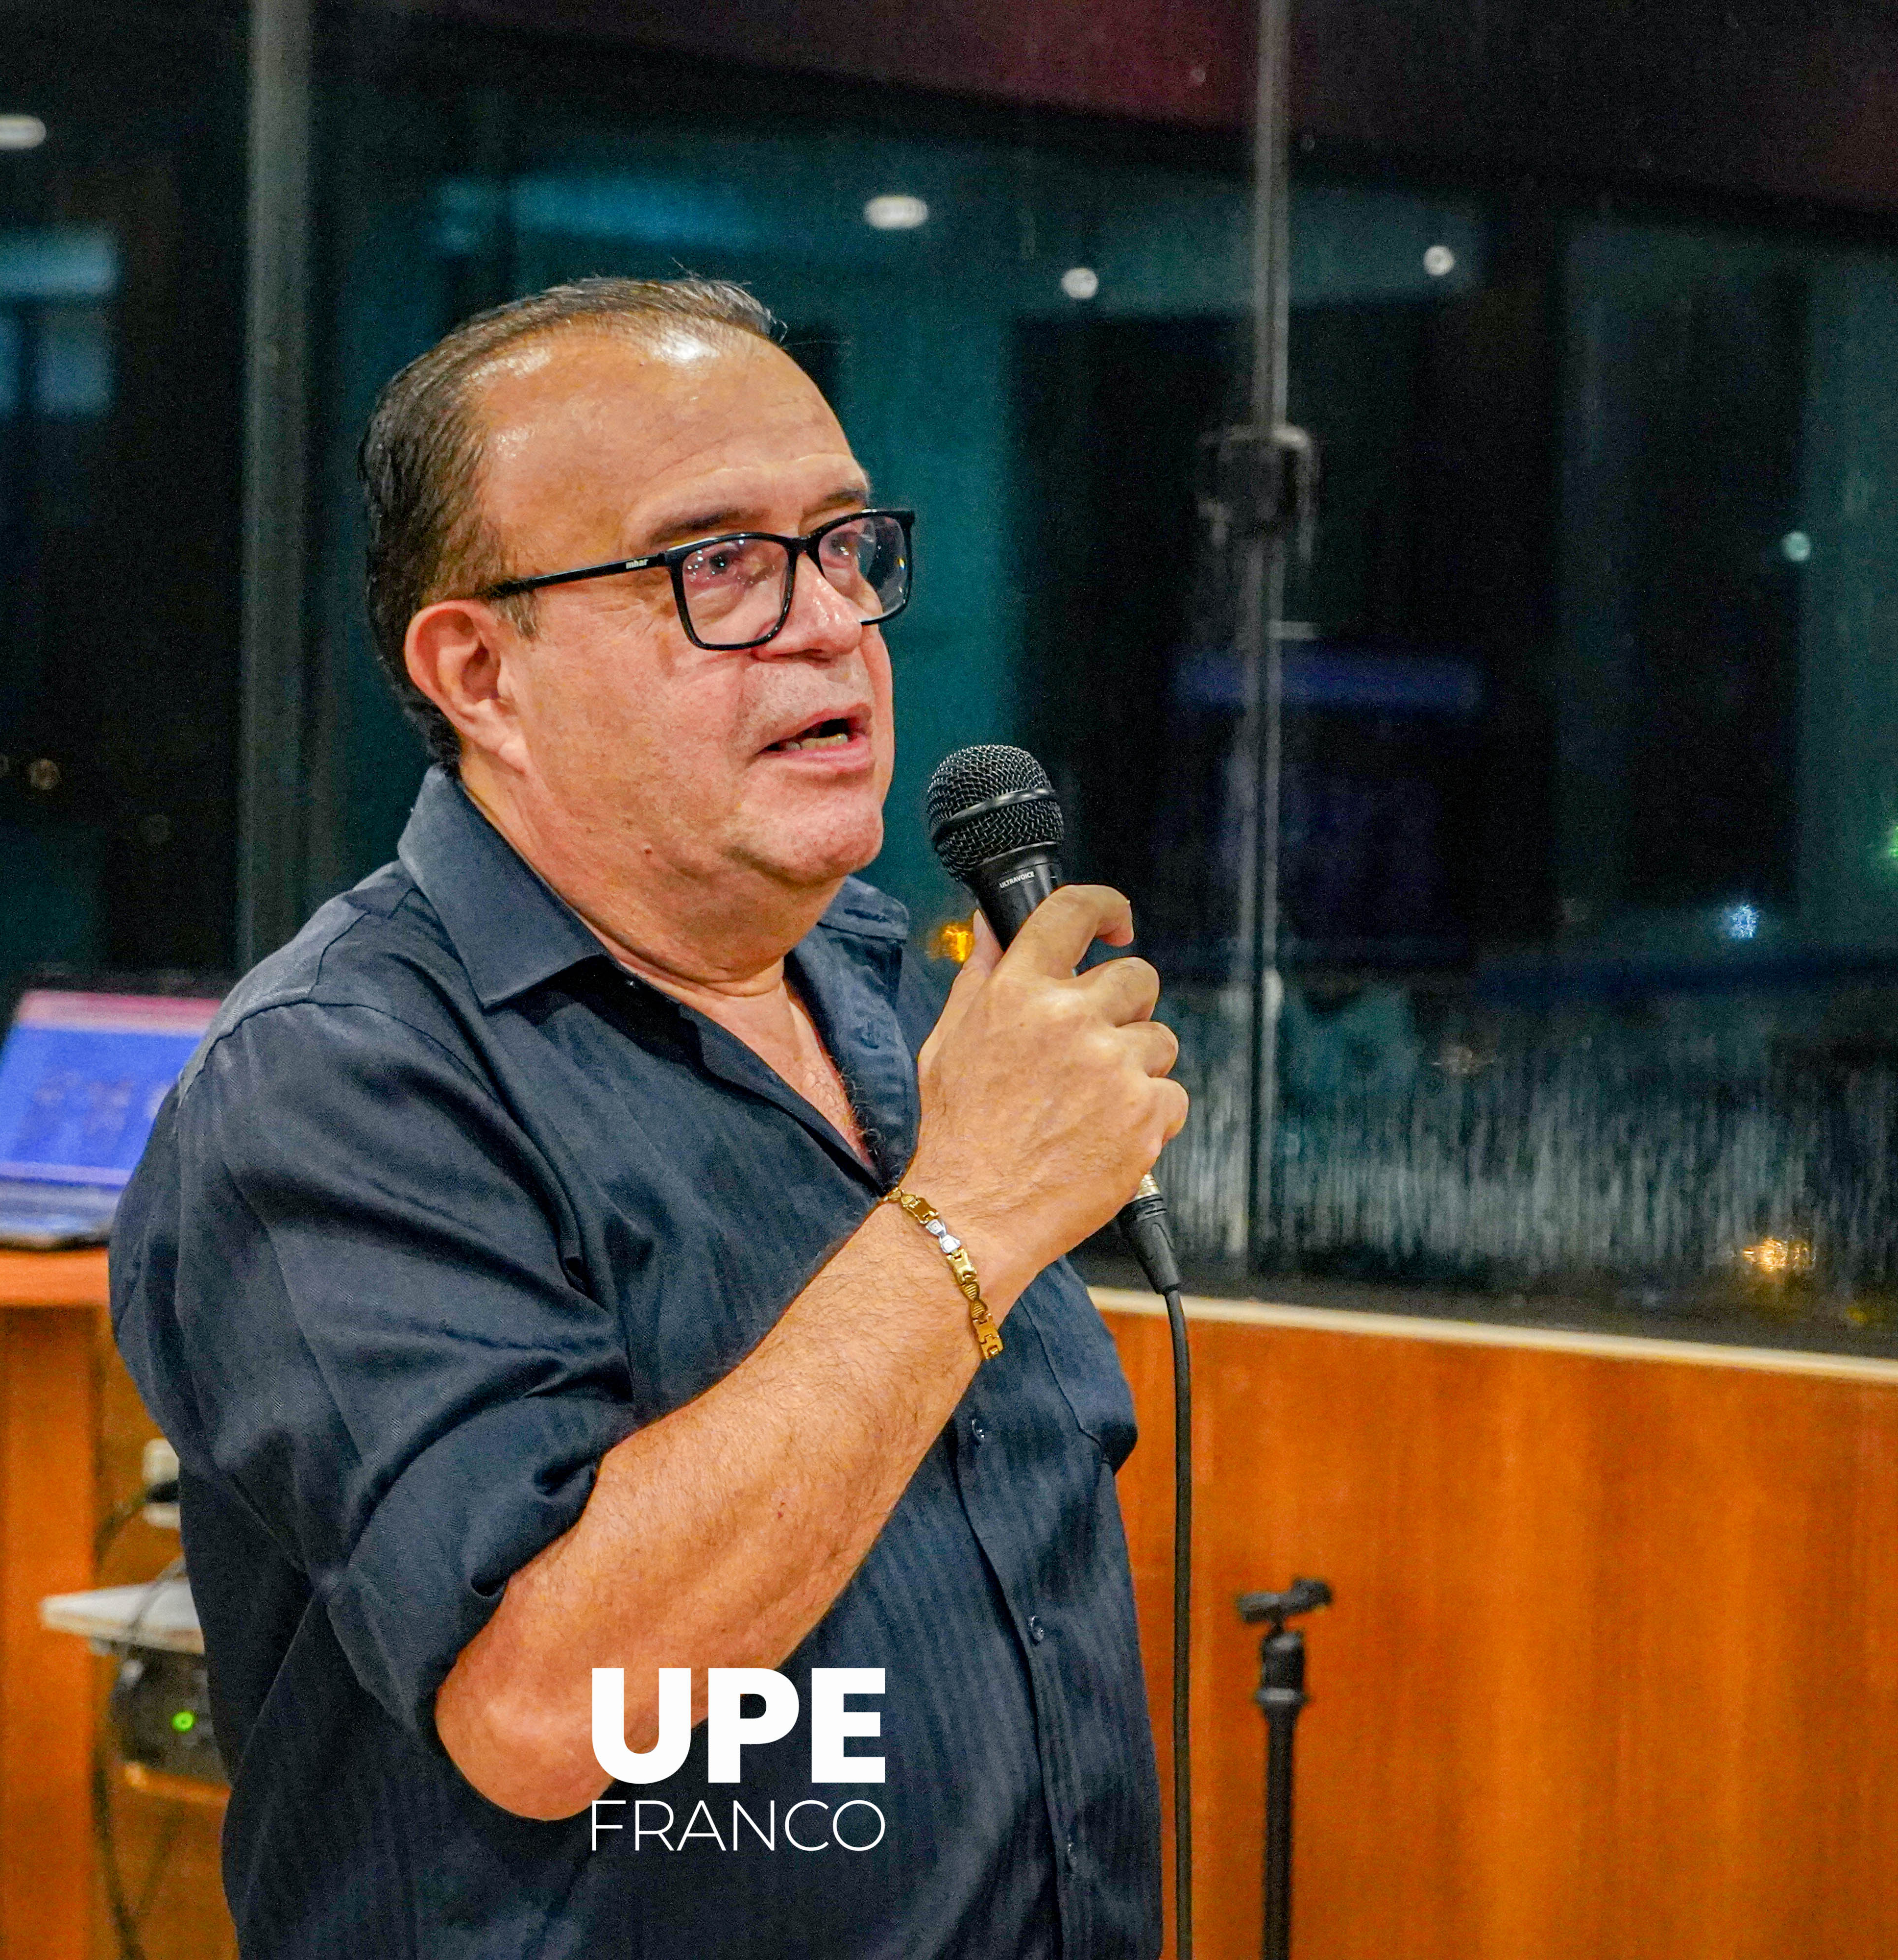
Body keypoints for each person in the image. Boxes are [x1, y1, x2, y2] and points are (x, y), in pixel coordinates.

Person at [110, 275, 1186, 1958]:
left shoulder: (904, 1013)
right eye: (720, 569)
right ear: (481, 670)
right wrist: (965, 1217)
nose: (833, 622)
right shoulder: (338, 1084)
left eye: (844, 546)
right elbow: (548, 1706)